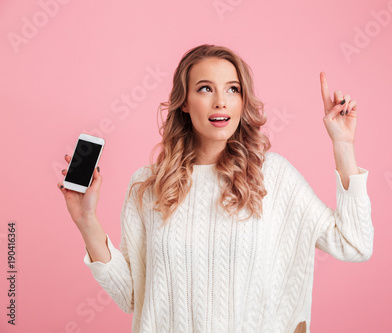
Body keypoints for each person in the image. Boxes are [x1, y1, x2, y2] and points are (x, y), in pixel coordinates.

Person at [57, 44, 374, 333]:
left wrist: (343, 145)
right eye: (205, 88)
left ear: (242, 100)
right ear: (184, 103)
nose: (221, 101)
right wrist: (86, 221)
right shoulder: (147, 185)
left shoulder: (273, 176)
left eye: (232, 89)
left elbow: (355, 244)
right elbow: (130, 296)